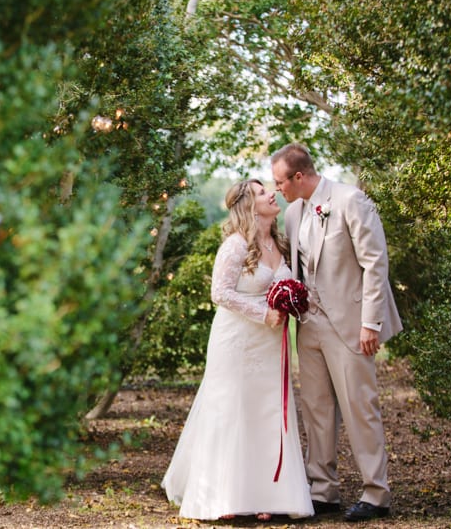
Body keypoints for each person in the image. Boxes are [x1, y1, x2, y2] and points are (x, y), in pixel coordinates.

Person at [162, 179, 314, 522]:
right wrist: (264, 313)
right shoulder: (234, 246)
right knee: (233, 410)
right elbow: (221, 293)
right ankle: (225, 495)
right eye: (263, 192)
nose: (271, 194)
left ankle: (267, 495)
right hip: (238, 340)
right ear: (248, 204)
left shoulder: (281, 243)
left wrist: (289, 304)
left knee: (268, 412)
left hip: (272, 342)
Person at [271, 143, 403, 522]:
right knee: (316, 409)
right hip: (308, 325)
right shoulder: (294, 213)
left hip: (351, 323)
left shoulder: (350, 200)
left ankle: (376, 493)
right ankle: (323, 490)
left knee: (360, 408)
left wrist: (371, 323)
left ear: (299, 176)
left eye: (280, 182)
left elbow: (375, 264)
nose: (277, 188)